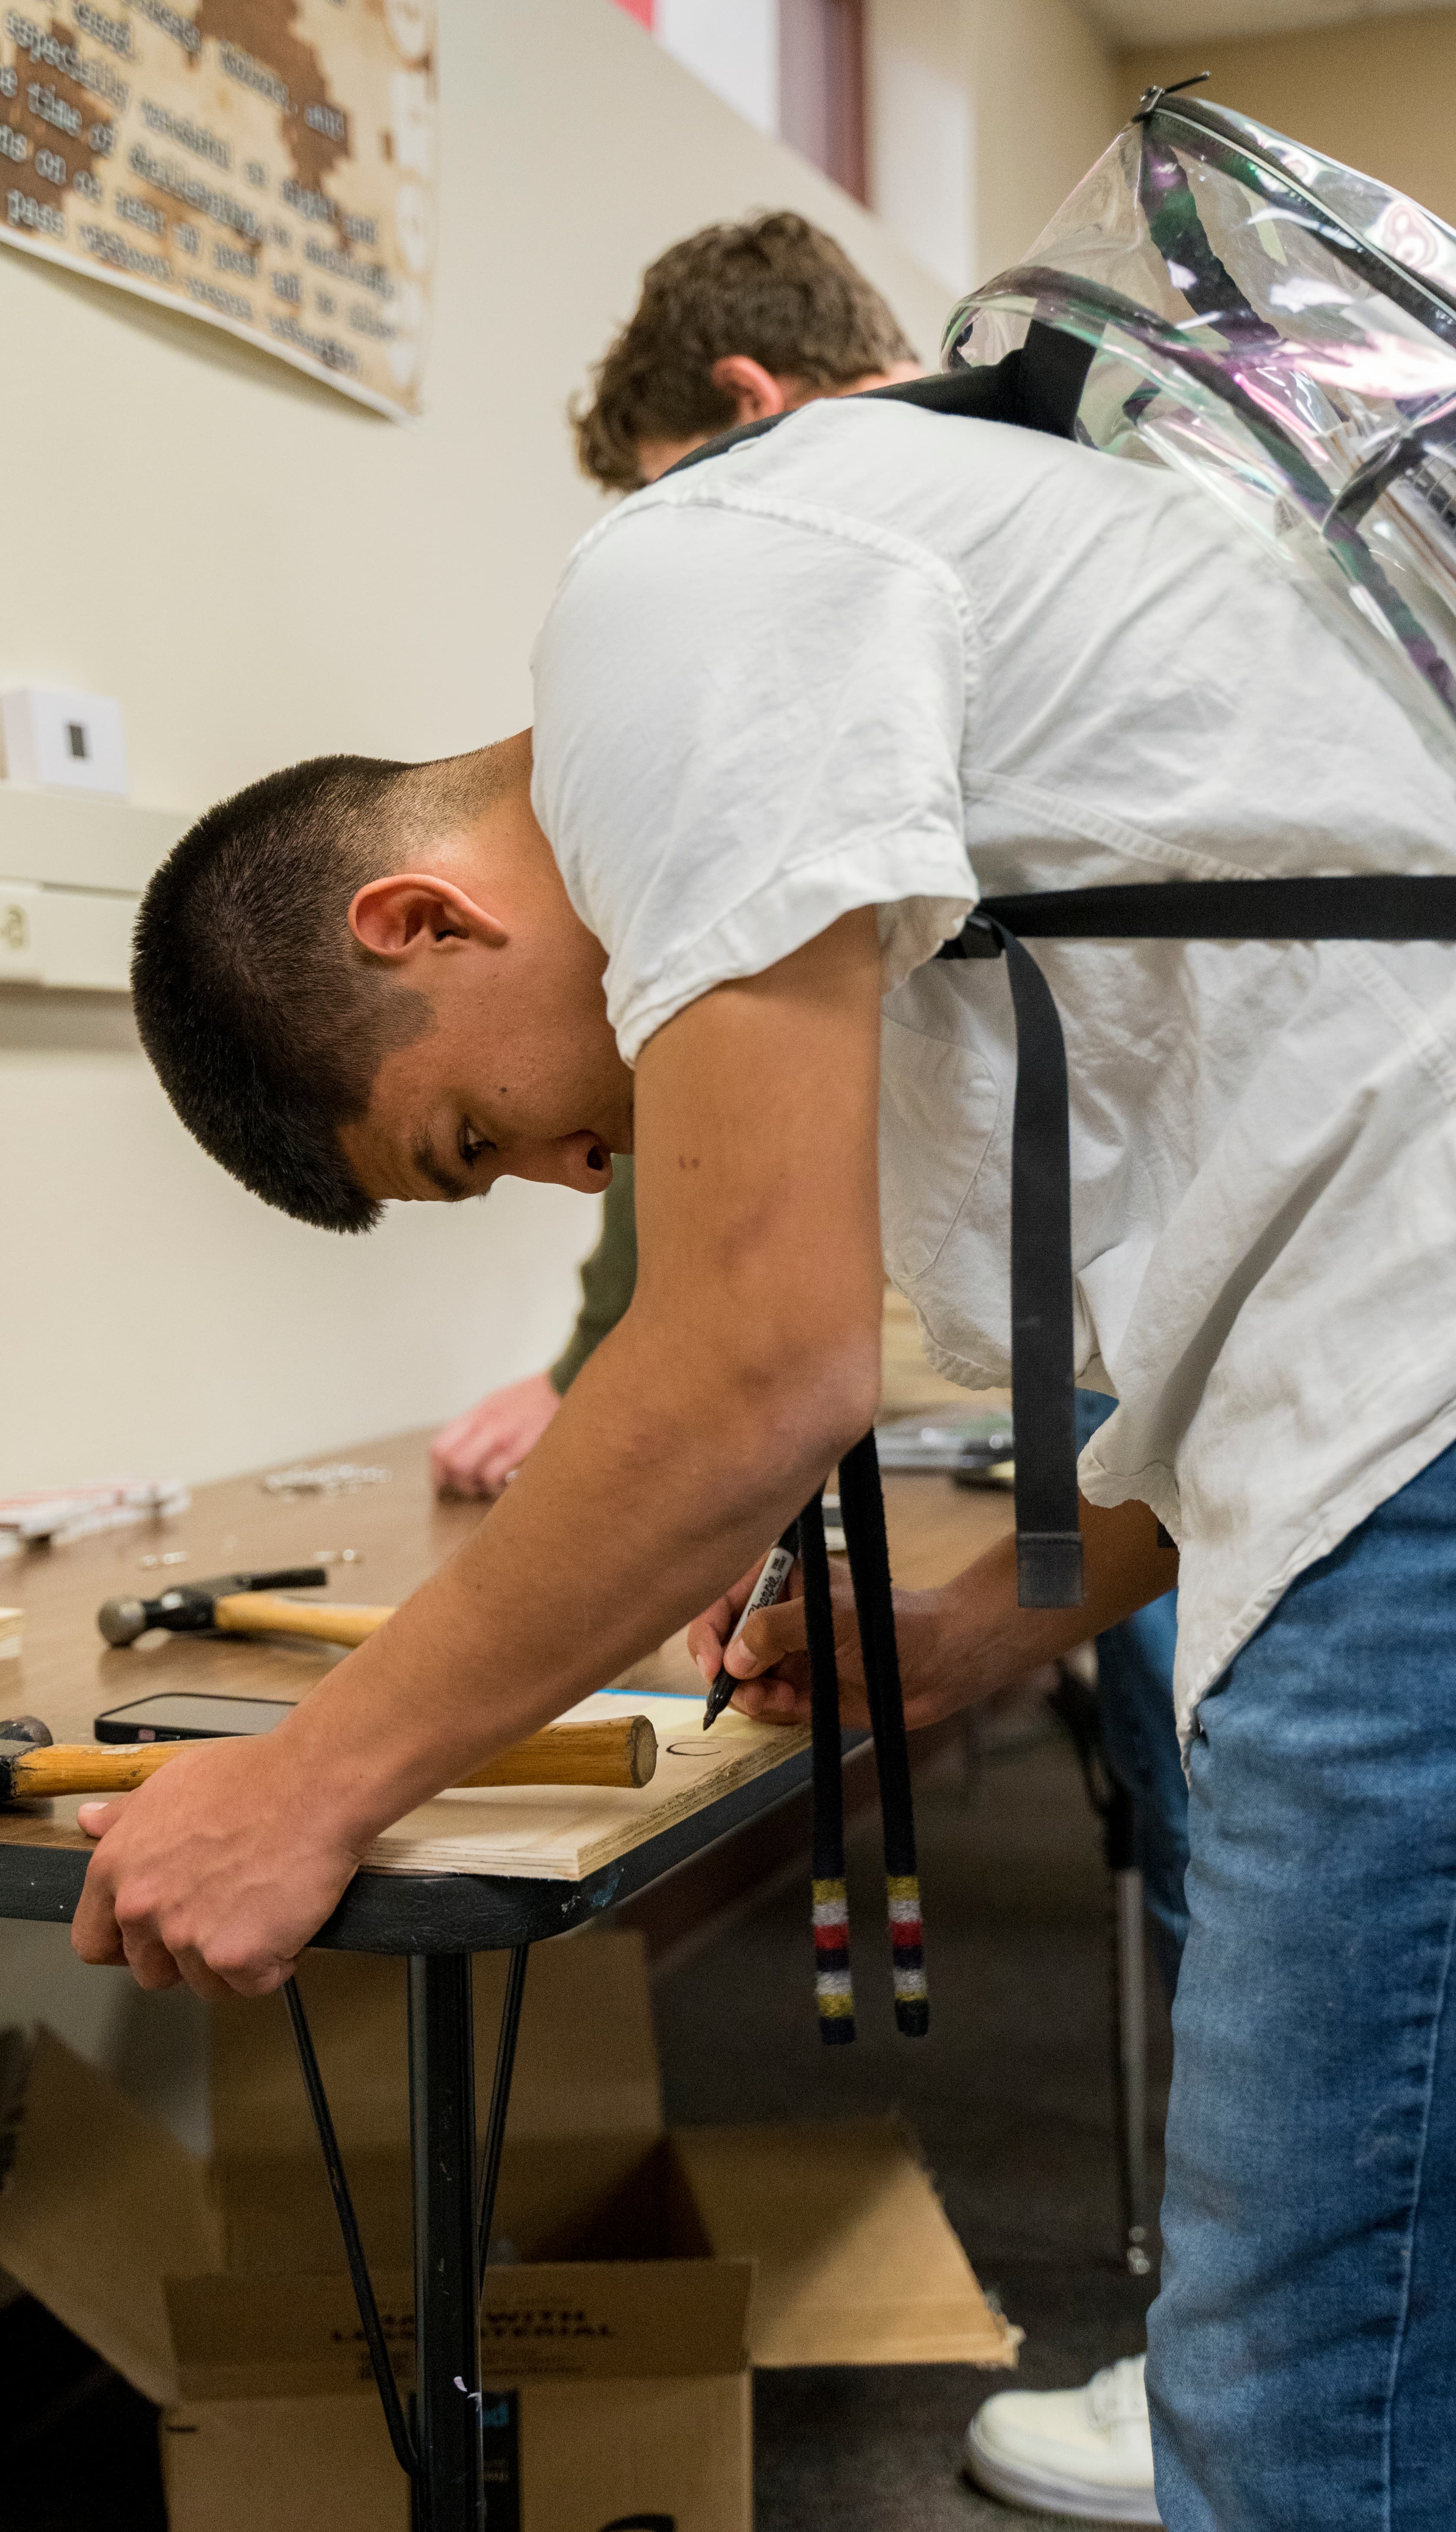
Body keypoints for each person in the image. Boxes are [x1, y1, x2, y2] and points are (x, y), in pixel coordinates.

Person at [78, 367, 1456, 2532]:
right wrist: (969, 1632)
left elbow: (750, 1365)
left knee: (1300, 2412)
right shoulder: (844, 868)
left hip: (1420, 1431)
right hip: (1392, 1407)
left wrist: (307, 1782)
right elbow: (1212, 1353)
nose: (558, 1170)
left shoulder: (669, 609)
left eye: (474, 1137)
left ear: (419, 925)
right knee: (1386, 2337)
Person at [431, 210, 921, 1500]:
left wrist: (597, 1369)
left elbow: (705, 1013)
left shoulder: (784, 589)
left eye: (681, 494)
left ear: (750, 399)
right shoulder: (1045, 495)